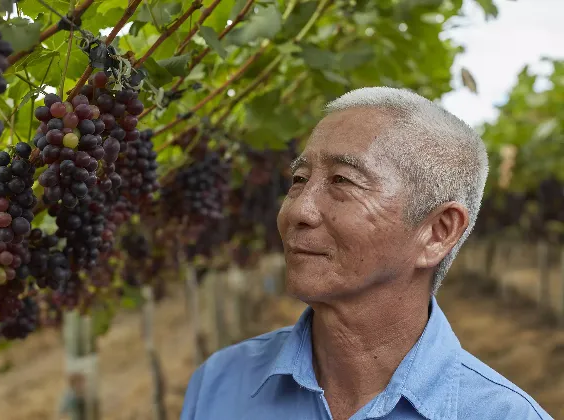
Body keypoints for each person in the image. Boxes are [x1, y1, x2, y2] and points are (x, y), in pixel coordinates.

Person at [180, 87, 553, 420]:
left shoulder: (502, 414)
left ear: (437, 232)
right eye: (298, 180)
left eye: (342, 180)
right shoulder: (218, 383)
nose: (297, 211)